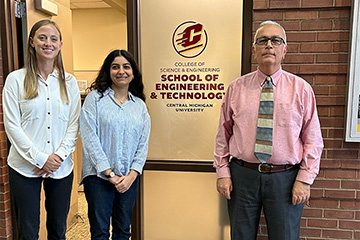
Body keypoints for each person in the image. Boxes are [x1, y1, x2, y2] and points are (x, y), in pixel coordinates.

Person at [214, 20, 324, 240]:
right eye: (263, 41)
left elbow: (313, 139)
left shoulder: (301, 89)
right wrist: (223, 173)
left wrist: (304, 179)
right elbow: (223, 135)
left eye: (276, 41)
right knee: (240, 236)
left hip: (285, 178)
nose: (269, 45)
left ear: (285, 50)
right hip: (242, 176)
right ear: (254, 50)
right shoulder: (236, 88)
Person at [2, 19, 81, 239]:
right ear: (32, 42)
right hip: (24, 168)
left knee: (58, 229)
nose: (48, 43)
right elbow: (12, 126)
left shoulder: (70, 82)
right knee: (28, 231)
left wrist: (57, 157)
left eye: (53, 39)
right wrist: (40, 159)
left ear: (60, 45)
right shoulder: (15, 80)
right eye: (42, 38)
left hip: (61, 167)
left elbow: (73, 125)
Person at [80, 49, 151, 240]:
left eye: (126, 67)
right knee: (100, 232)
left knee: (123, 231)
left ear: (133, 72)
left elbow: (143, 143)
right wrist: (109, 174)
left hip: (129, 177)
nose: (121, 71)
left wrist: (132, 175)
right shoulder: (95, 99)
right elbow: (89, 139)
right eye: (115, 67)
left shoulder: (139, 105)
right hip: (98, 178)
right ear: (108, 71)